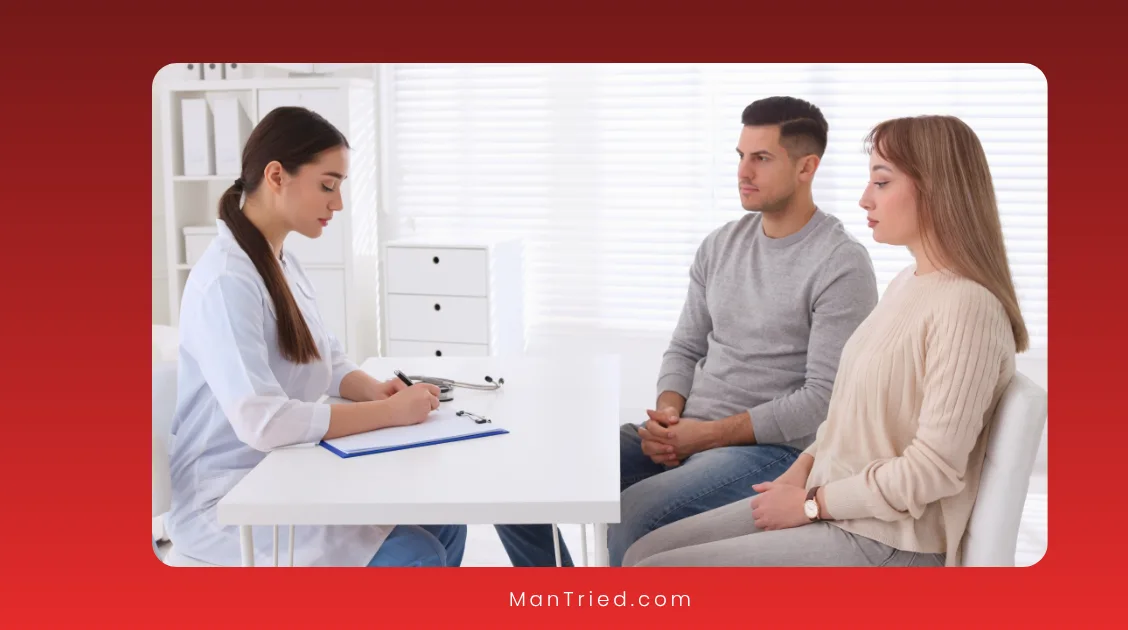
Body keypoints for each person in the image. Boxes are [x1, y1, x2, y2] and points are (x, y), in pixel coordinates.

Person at [164, 106, 569, 567]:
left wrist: (374, 390)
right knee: (419, 554)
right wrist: (387, 412)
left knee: (445, 518)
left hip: (285, 472)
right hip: (231, 502)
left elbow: (328, 360)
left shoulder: (280, 263)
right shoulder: (227, 281)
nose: (337, 204)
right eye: (327, 185)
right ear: (277, 176)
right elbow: (264, 422)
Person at [622, 114, 1029, 568]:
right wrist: (800, 478)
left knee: (655, 572)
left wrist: (813, 504)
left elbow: (931, 471)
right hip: (836, 503)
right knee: (645, 551)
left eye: (881, 182)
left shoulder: (967, 307)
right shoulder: (908, 283)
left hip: (890, 539)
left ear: (934, 189)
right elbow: (845, 416)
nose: (863, 198)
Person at [586, 96, 876, 566]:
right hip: (687, 432)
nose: (744, 172)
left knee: (635, 513)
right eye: (741, 156)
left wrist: (707, 436)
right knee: (545, 474)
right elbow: (684, 347)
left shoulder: (841, 263)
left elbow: (824, 399)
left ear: (807, 167)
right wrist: (667, 415)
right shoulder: (720, 244)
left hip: (771, 452)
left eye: (761, 158)